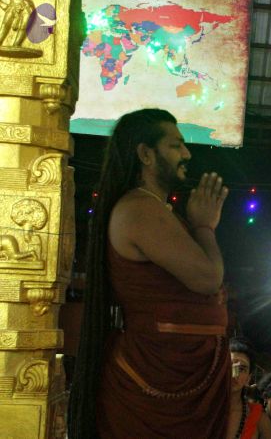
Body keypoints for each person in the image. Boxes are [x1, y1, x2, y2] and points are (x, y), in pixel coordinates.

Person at [67, 108, 232, 438]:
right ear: (145, 154)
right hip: (155, 376)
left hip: (177, 374)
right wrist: (204, 226)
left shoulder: (152, 208)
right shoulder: (138, 209)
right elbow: (207, 279)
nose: (187, 154)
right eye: (176, 145)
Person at [228, 338, 271, 439]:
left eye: (241, 369)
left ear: (248, 378)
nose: (234, 375)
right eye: (229, 366)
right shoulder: (200, 409)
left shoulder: (258, 417)